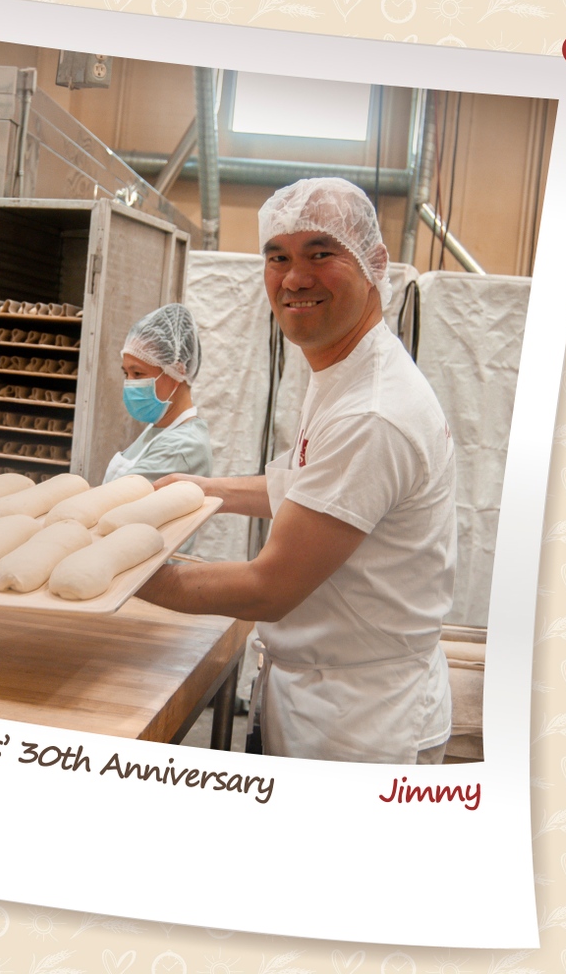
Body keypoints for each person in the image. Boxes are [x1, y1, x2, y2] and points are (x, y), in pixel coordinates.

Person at [138, 177, 456, 765]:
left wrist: (127, 574)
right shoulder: (347, 374)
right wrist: (203, 489)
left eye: (320, 253)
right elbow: (303, 487)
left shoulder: (372, 411)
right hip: (325, 696)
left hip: (360, 728)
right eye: (277, 256)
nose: (294, 278)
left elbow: (270, 587)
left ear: (374, 263)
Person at [103, 303, 213, 485]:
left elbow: (115, 498)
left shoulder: (184, 447)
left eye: (138, 374)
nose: (129, 383)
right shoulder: (159, 428)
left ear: (177, 370)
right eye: (126, 373)